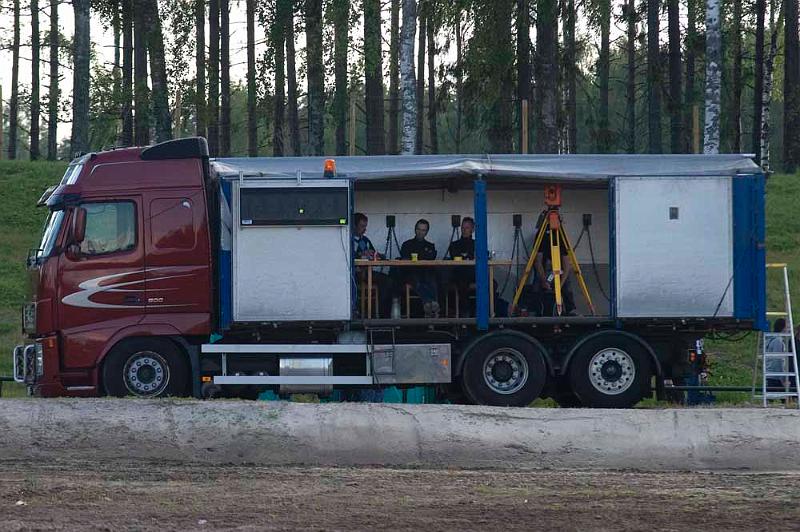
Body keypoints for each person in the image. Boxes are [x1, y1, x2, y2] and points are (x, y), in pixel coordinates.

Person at [529, 213, 577, 316]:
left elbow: (567, 264)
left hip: (559, 267)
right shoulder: (541, 236)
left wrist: (560, 284)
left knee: (567, 284)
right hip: (544, 265)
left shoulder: (561, 236)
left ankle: (570, 309)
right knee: (537, 284)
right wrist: (543, 280)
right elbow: (537, 261)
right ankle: (534, 309)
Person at [352, 213, 392, 317]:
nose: (364, 229)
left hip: (367, 272)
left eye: (365, 226)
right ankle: (357, 312)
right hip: (353, 274)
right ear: (354, 226)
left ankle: (382, 316)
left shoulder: (365, 240)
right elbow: (347, 256)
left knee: (388, 281)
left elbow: (374, 254)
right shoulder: (348, 239)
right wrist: (360, 254)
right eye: (362, 226)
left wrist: (378, 255)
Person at [399, 219, 439, 317]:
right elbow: (405, 259)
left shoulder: (430, 246)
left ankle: (429, 306)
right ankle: (431, 303)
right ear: (415, 229)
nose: (420, 232)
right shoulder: (407, 244)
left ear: (427, 232)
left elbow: (431, 258)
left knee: (432, 279)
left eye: (423, 230)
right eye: (418, 229)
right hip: (411, 273)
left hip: (426, 273)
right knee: (417, 280)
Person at [446, 217, 476, 316]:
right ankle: (464, 313)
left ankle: (488, 312)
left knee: (492, 283)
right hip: (459, 274)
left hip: (474, 274)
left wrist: (466, 257)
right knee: (462, 281)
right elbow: (455, 256)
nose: (464, 230)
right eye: (463, 228)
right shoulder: (454, 244)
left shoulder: (477, 244)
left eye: (467, 228)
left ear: (472, 229)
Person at [766, 318, 790, 392]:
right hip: (775, 375)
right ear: (782, 328)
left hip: (772, 374)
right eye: (788, 327)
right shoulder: (778, 341)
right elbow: (778, 359)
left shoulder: (772, 338)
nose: (789, 329)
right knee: (784, 398)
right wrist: (782, 378)